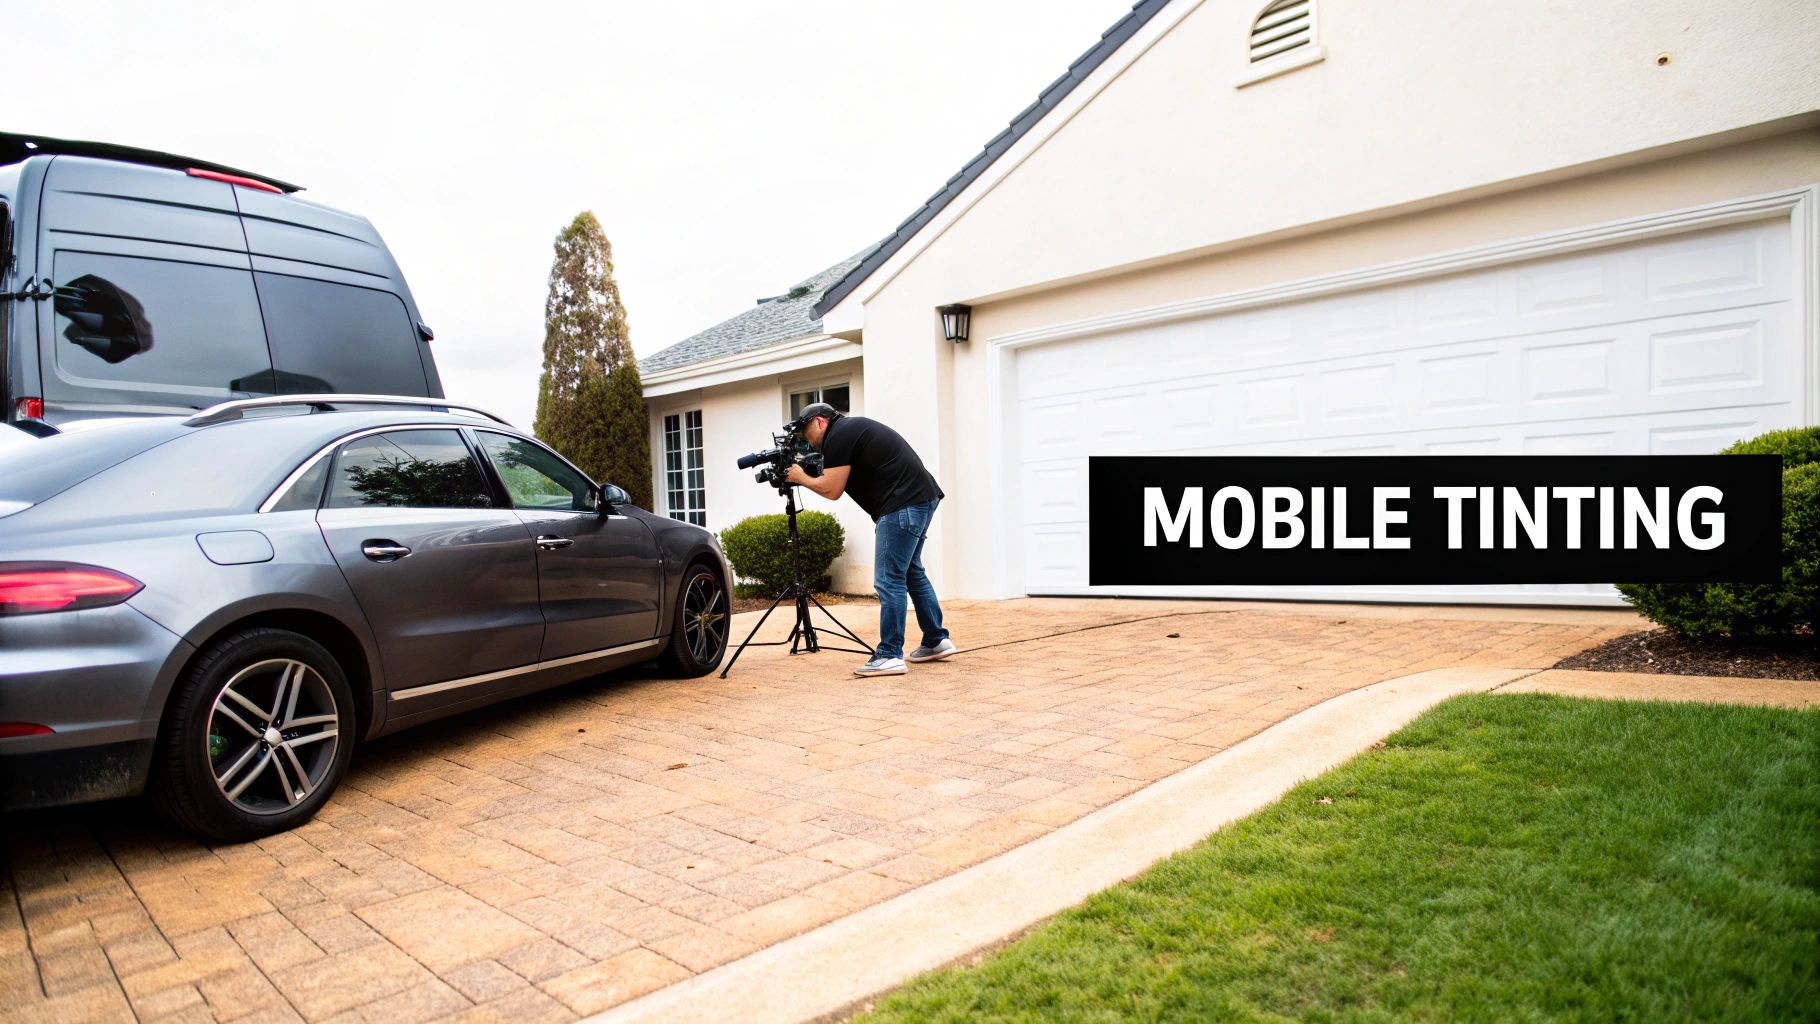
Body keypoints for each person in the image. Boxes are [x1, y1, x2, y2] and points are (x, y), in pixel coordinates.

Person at [785, 402, 955, 677]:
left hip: (902, 505)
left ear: (820, 422)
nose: (807, 441)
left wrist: (799, 477)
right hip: (921, 498)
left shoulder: (838, 435)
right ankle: (936, 639)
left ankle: (889, 654)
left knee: (888, 579)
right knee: (911, 571)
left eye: (807, 433)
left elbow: (831, 490)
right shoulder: (849, 431)